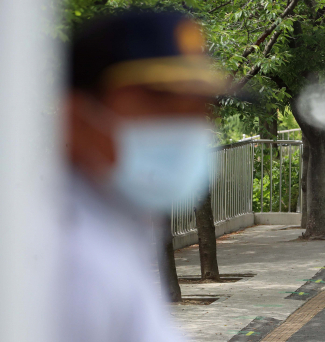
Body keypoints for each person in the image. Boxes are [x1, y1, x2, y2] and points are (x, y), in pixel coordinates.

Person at [59, 11, 225, 341]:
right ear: (76, 116)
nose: (185, 129)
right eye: (159, 104)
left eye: (197, 109)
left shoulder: (118, 227)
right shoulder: (67, 262)